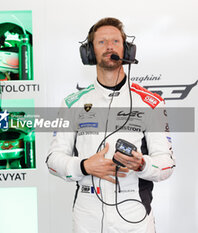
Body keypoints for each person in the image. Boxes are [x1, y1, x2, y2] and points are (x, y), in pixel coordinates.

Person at [46, 17, 175, 233]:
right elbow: (52, 160)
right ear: (88, 52)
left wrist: (142, 164)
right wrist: (84, 166)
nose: (109, 47)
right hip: (87, 218)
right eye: (101, 42)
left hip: (136, 217)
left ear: (126, 49)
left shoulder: (150, 102)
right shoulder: (72, 103)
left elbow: (167, 164)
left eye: (115, 41)